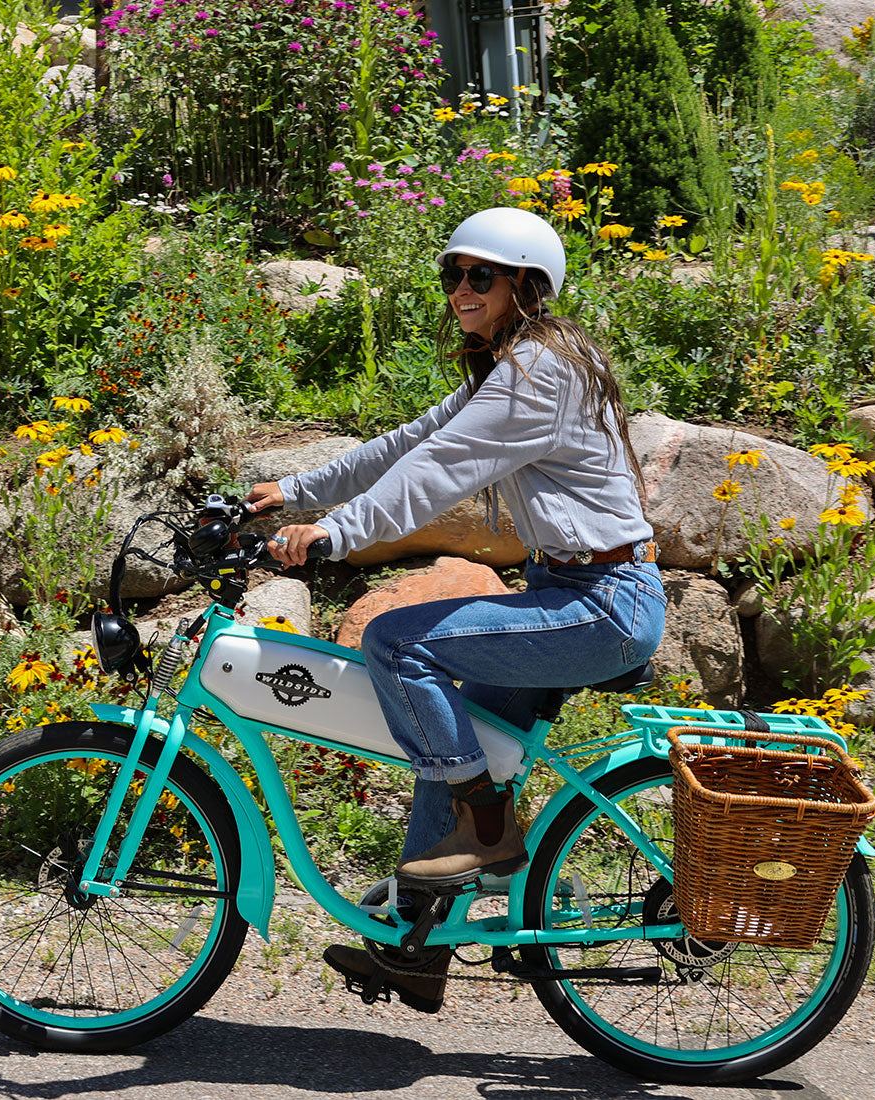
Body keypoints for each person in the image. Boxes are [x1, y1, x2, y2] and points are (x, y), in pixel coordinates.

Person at [245, 206, 666, 1014]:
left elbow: (439, 469)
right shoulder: (516, 366)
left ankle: (493, 832)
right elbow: (410, 443)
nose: (461, 289)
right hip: (570, 592)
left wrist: (336, 533)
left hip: (602, 602)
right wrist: (292, 491)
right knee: (456, 744)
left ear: (527, 286)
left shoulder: (541, 372)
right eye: (453, 274)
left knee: (396, 643)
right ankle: (418, 947)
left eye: (481, 275)